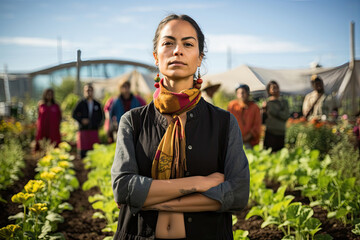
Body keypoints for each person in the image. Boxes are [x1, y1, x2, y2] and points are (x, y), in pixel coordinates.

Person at [111, 14, 249, 240]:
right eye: (168, 43)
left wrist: (151, 200)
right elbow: (124, 188)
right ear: (156, 56)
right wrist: (199, 183)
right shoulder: (133, 121)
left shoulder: (224, 123)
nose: (177, 50)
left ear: (199, 58)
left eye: (188, 44)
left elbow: (237, 193)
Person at [72, 83, 104, 158]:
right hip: (83, 130)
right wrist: (82, 120)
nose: (88, 92)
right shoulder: (81, 103)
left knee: (94, 152)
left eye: (90, 90)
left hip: (93, 130)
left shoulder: (97, 104)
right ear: (84, 91)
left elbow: (101, 116)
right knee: (83, 152)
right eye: (87, 90)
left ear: (93, 91)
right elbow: (74, 114)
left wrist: (97, 124)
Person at [227, 84, 261, 149]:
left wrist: (245, 138)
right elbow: (228, 123)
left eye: (243, 92)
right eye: (239, 93)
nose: (241, 95)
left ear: (248, 94)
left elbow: (256, 127)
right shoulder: (232, 105)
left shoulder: (255, 107)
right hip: (234, 141)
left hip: (249, 142)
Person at [262, 80, 289, 152]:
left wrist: (274, 111)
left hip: (281, 132)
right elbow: (262, 120)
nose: (275, 90)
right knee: (268, 153)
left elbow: (285, 116)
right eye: (273, 88)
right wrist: (263, 110)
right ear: (269, 90)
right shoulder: (267, 103)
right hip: (270, 132)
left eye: (277, 87)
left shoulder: (284, 102)